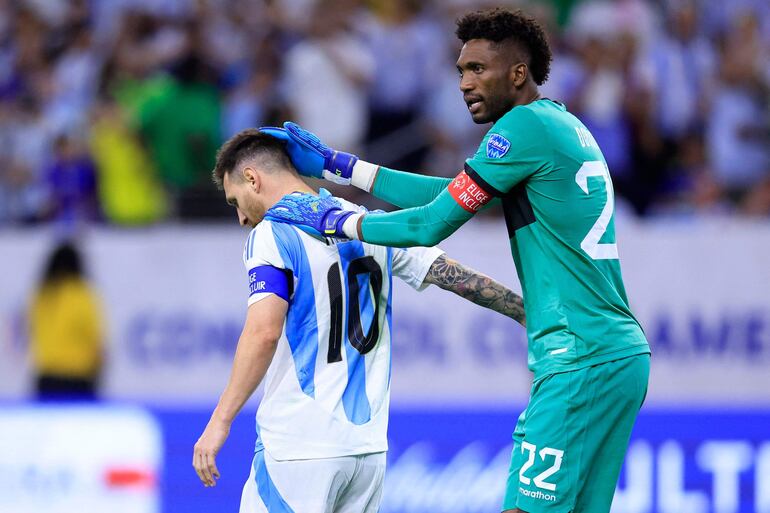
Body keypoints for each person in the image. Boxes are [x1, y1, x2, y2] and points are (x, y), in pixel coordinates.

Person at [260, 8, 650, 513]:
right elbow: (451, 194)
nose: (465, 83)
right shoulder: (558, 123)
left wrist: (337, 222)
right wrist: (344, 167)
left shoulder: (522, 129)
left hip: (577, 356)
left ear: (517, 73)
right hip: (615, 353)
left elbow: (430, 224)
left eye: (478, 70)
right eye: (461, 70)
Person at [192, 129, 527, 513]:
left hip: (298, 445)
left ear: (253, 177)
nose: (240, 218)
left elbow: (264, 331)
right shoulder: (362, 221)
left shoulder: (272, 234)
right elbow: (453, 277)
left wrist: (220, 421)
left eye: (236, 201)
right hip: (366, 454)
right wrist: (526, 312)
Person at [28, 241, 104, 400]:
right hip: (78, 378)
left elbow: (31, 330)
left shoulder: (41, 295)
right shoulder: (81, 294)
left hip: (47, 378)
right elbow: (96, 340)